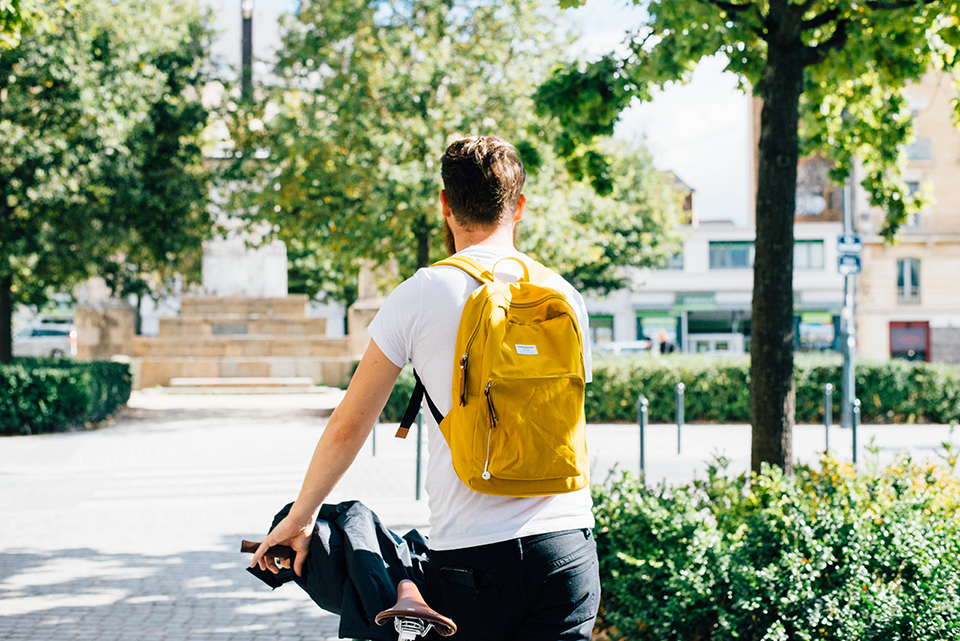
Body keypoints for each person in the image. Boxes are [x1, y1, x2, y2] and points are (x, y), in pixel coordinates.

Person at [250, 135, 600, 641]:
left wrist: (301, 519)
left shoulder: (421, 293)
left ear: (445, 205)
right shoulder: (565, 296)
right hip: (569, 548)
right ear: (519, 206)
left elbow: (351, 425)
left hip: (474, 558)